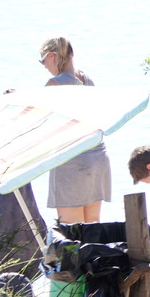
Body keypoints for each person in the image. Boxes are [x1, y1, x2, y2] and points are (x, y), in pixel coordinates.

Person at [38, 37, 109, 224]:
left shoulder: (54, 84)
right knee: (93, 229)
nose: (44, 66)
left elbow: (41, 120)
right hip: (97, 158)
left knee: (71, 233)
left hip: (72, 161)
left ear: (51, 56)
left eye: (42, 61)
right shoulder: (88, 80)